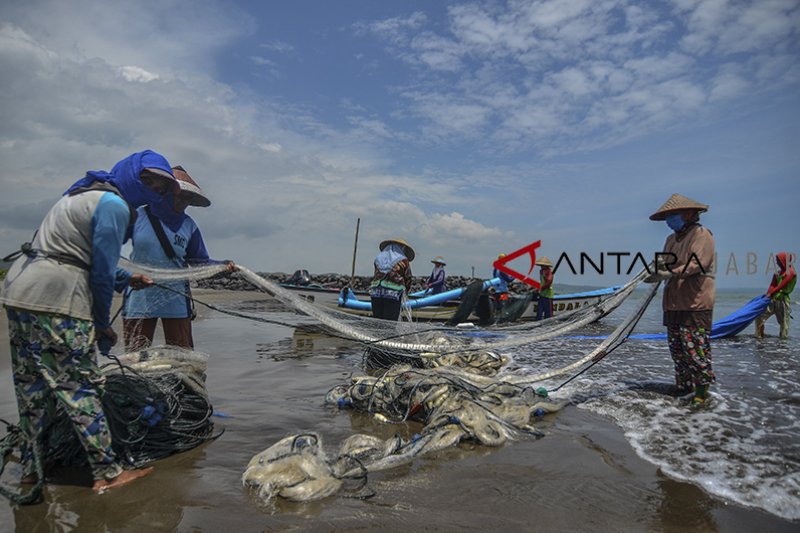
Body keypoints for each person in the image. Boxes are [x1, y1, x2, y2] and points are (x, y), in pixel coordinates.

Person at [0, 150, 178, 492]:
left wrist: (128, 280)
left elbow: (80, 255)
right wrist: (100, 323)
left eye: (158, 186)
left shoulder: (80, 195)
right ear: (130, 174)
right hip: (58, 299)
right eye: (149, 181)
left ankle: (31, 468)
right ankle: (108, 474)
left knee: (32, 390)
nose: (153, 190)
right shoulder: (113, 206)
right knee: (81, 386)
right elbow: (97, 273)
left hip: (21, 295)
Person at [123, 165, 235, 350]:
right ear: (165, 192)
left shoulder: (188, 225)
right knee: (135, 355)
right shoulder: (138, 216)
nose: (184, 202)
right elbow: (111, 243)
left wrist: (222, 267)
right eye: (181, 195)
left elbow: (199, 262)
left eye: (189, 198)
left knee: (182, 355)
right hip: (139, 295)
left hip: (175, 297)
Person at [647, 193, 716, 407]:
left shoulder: (702, 235)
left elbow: (697, 264)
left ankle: (701, 393)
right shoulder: (670, 239)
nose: (669, 221)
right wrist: (654, 270)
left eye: (673, 215)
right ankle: (684, 387)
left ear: (689, 214)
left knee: (695, 350)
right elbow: (663, 262)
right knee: (677, 350)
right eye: (667, 217)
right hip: (673, 302)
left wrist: (669, 273)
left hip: (694, 303)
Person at [370, 238, 414, 321]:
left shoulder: (378, 258)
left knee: (377, 320)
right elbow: (408, 278)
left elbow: (376, 275)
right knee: (390, 321)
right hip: (393, 294)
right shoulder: (403, 260)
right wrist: (406, 292)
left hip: (376, 292)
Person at [755, 252, 796, 339]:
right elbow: (772, 285)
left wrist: (771, 293)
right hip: (773, 299)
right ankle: (759, 336)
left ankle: (783, 343)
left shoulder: (791, 272)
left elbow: (781, 286)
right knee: (760, 316)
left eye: (778, 260)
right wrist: (767, 295)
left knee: (784, 323)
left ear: (784, 261)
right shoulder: (777, 273)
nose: (777, 262)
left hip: (783, 301)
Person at [535, 256, 554, 320]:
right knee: (539, 313)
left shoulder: (548, 272)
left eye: (542, 265)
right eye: (541, 265)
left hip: (548, 295)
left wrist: (541, 288)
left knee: (548, 314)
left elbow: (549, 282)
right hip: (542, 295)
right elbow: (542, 282)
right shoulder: (541, 272)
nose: (541, 266)